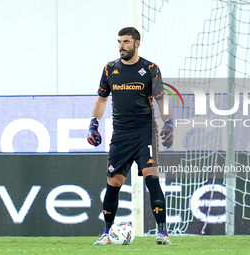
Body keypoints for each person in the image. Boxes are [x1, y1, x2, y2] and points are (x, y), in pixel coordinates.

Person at [87, 27, 173, 245]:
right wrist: (93, 125)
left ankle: (162, 232)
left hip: (145, 133)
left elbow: (161, 99)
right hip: (121, 135)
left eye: (126, 41)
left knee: (151, 178)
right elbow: (102, 100)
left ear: (137, 43)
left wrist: (168, 123)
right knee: (113, 184)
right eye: (119, 41)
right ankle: (106, 233)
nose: (121, 46)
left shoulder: (150, 69)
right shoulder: (110, 69)